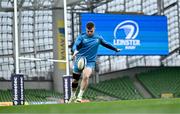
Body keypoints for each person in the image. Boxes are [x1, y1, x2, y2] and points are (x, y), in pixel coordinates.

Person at [68, 21, 121, 103]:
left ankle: (79, 96)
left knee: (86, 76)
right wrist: (74, 51)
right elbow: (76, 45)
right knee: (75, 80)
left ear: (94, 29)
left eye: (91, 31)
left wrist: (115, 49)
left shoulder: (98, 38)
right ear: (86, 29)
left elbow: (106, 44)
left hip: (90, 61)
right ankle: (72, 95)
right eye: (88, 31)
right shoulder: (81, 37)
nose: (89, 33)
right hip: (79, 60)